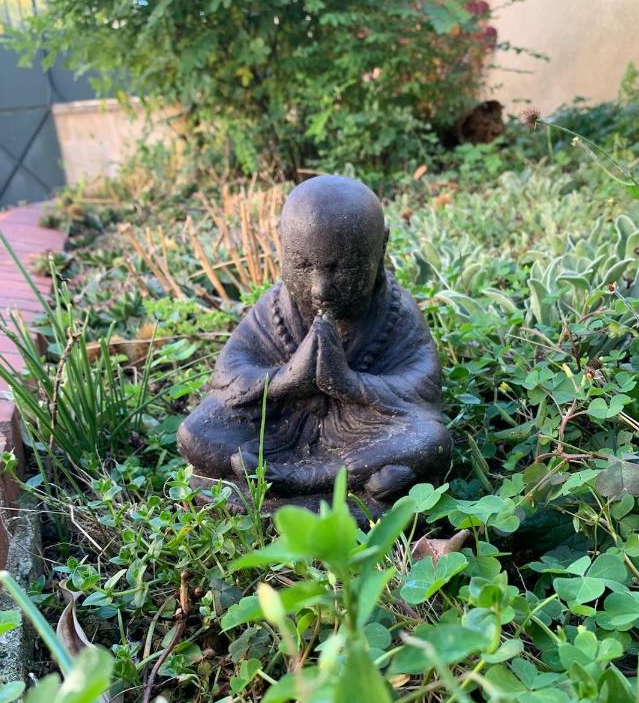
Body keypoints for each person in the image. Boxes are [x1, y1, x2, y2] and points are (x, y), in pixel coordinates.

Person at [177, 174, 451, 505]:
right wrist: (286, 379)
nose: (320, 288)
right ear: (282, 245)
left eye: (343, 268)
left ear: (381, 248)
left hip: (363, 431)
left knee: (430, 439)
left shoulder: (395, 311)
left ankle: (298, 479)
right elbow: (228, 375)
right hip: (280, 426)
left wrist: (349, 384)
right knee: (196, 433)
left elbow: (421, 387)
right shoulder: (274, 309)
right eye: (303, 265)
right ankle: (366, 482)